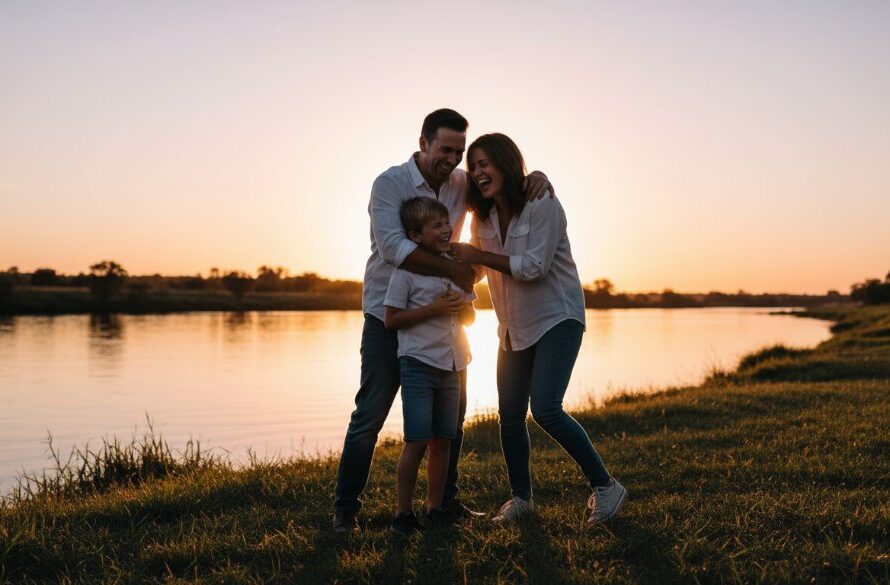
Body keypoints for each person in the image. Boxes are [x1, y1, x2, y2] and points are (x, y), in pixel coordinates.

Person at [333, 109, 552, 532]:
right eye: (444, 149)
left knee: (450, 421)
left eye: (459, 151)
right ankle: (346, 510)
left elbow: (501, 183)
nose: (452, 158)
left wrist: (536, 175)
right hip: (387, 313)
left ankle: (443, 505)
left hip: (444, 323)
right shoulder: (389, 184)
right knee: (370, 414)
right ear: (423, 144)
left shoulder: (460, 183)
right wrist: (456, 272)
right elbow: (395, 247)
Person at [452, 133, 627, 526]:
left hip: (557, 318)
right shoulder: (482, 217)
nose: (478, 171)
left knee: (546, 408)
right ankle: (521, 500)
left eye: (485, 163)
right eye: (473, 165)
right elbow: (480, 269)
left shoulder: (542, 202)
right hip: (512, 326)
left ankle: (606, 486)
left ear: (506, 162)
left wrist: (477, 253)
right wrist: (452, 264)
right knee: (509, 415)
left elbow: (533, 267)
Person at [383, 197, 476, 535]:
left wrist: (458, 308)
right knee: (418, 440)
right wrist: (435, 309)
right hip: (419, 364)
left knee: (444, 441)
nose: (445, 229)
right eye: (435, 226)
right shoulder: (405, 273)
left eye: (445, 223)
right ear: (415, 236)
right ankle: (403, 514)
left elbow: (469, 315)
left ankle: (435, 508)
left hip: (454, 364)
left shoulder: (455, 269)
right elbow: (391, 320)